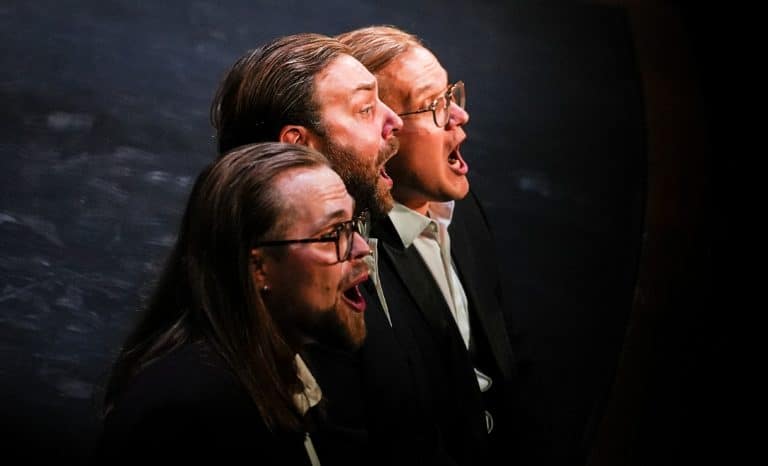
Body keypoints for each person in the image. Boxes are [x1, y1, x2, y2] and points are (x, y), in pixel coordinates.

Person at [94, 142, 373, 464]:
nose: (361, 248)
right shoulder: (183, 416)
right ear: (259, 268)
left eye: (354, 224)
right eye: (334, 232)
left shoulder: (290, 377)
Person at [331, 26, 523, 465]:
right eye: (434, 105)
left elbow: (505, 348)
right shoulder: (349, 263)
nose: (459, 116)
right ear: (382, 130)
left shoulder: (463, 207)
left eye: (452, 94)